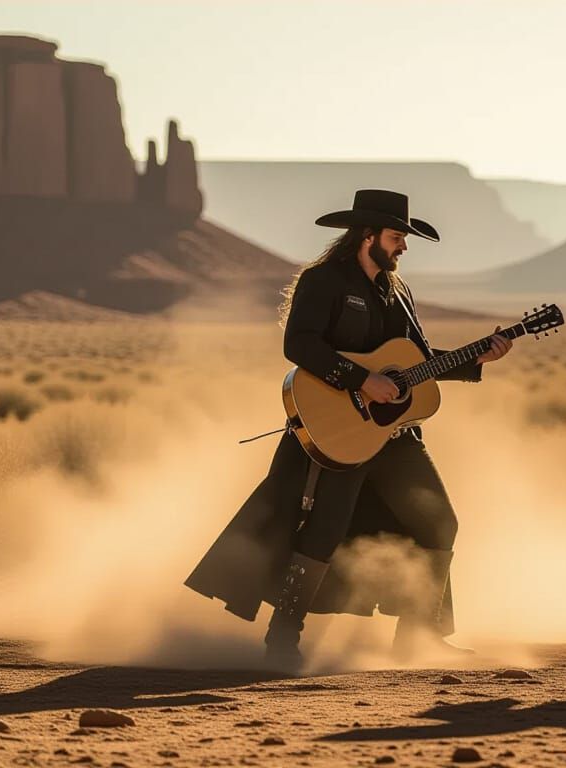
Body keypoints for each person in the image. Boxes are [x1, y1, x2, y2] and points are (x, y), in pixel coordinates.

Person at [186, 189, 511, 670]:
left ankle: (419, 637)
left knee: (439, 521)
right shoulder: (324, 282)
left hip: (395, 434)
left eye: (404, 238)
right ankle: (282, 640)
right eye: (397, 237)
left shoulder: (398, 290)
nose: (404, 247)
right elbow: (299, 345)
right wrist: (361, 380)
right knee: (324, 530)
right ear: (368, 235)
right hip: (337, 428)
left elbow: (413, 362)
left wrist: (473, 360)